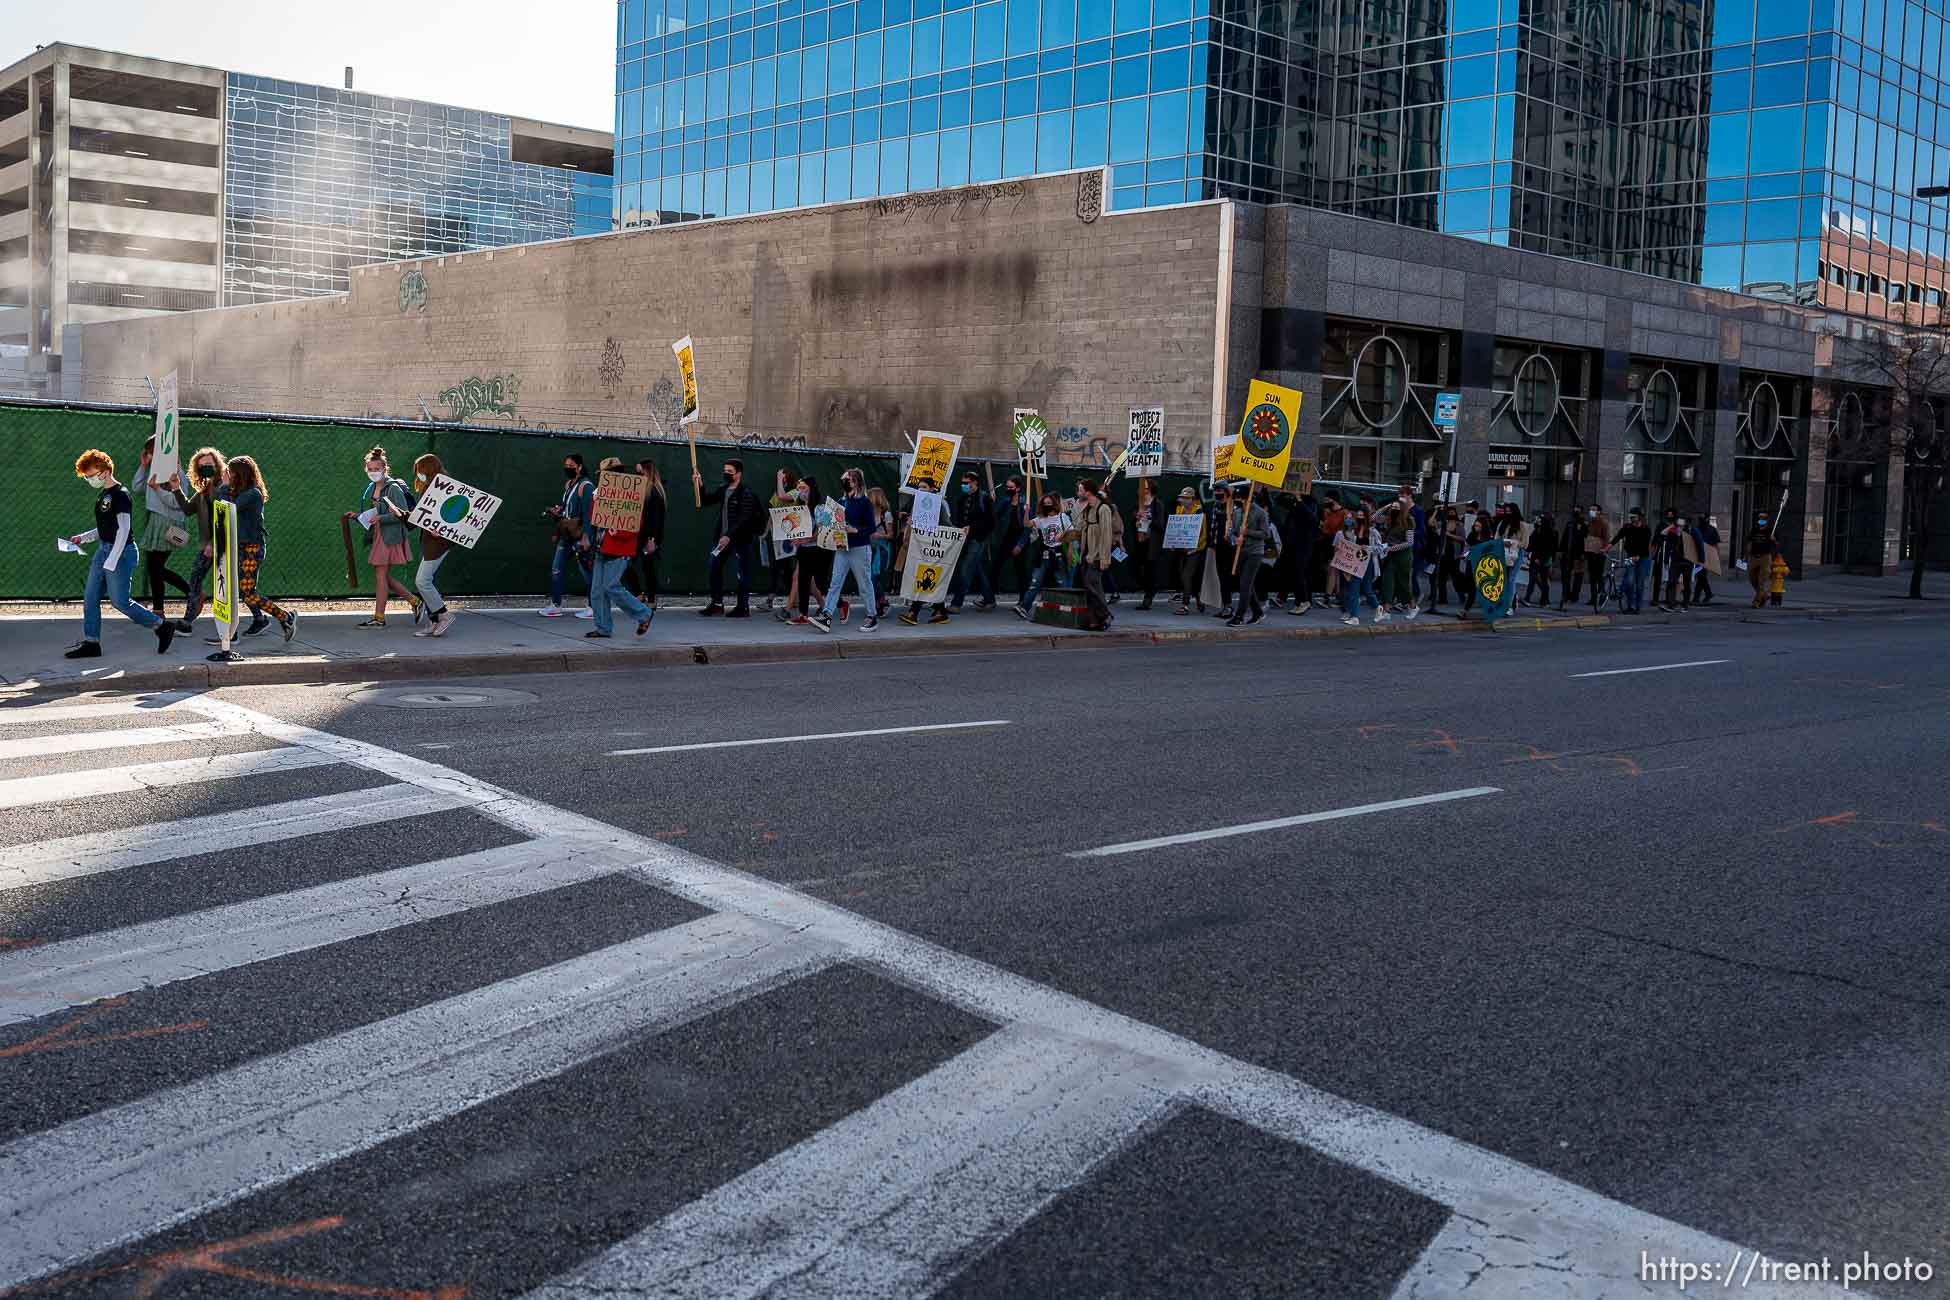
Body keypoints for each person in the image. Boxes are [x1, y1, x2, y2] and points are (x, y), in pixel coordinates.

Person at [63, 449, 177, 658]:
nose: (89, 479)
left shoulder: (121, 495)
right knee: (90, 597)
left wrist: (112, 560)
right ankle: (92, 642)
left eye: (90, 475)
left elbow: (124, 530)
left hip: (121, 553)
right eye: (86, 476)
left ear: (104, 471)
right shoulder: (103, 495)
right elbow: (106, 528)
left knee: (120, 602)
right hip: (104, 550)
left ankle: (161, 626)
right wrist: (83, 537)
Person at [222, 454, 298, 643]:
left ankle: (285, 617)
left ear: (240, 475)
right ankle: (260, 619)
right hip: (241, 546)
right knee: (246, 590)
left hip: (252, 548)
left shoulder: (252, 494)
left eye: (231, 473)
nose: (228, 475)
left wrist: (224, 486)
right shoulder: (241, 491)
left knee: (248, 591)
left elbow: (228, 508)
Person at [582, 456, 655, 639]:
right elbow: (594, 518)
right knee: (597, 591)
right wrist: (596, 499)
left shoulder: (632, 494)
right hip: (602, 547)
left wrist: (618, 532)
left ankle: (643, 614)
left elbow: (635, 523)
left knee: (611, 587)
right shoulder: (599, 493)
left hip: (619, 547)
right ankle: (603, 628)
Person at [351, 446, 421, 629]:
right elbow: (377, 511)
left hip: (390, 536)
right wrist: (358, 516)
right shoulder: (372, 487)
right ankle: (414, 602)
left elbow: (403, 515)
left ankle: (379, 618)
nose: (373, 472)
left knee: (381, 575)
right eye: (370, 469)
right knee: (382, 576)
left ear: (384, 469)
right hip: (379, 534)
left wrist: (381, 518)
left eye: (377, 469)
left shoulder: (393, 488)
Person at [810, 467, 880, 632]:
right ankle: (827, 616)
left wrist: (855, 530)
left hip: (859, 548)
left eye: (846, 479)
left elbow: (871, 528)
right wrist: (824, 521)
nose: (843, 482)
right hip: (842, 547)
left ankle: (872, 616)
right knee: (835, 583)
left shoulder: (864, 503)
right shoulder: (841, 502)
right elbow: (834, 522)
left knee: (864, 584)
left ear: (855, 482)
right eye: (843, 479)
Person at [132, 435, 193, 625]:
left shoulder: (177, 474)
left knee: (155, 568)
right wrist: (143, 466)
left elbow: (177, 503)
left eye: (152, 454)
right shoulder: (155, 471)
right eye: (148, 454)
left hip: (168, 524)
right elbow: (137, 487)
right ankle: (161, 609)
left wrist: (158, 489)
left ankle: (191, 593)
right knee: (155, 569)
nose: (150, 457)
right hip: (156, 522)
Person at [694, 458, 764, 617]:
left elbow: (743, 519)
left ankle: (743, 607)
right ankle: (717, 604)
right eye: (725, 471)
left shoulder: (746, 493)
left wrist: (728, 536)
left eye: (730, 472)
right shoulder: (723, 489)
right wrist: (699, 483)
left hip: (739, 540)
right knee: (713, 566)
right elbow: (706, 500)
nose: (726, 474)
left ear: (739, 474)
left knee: (741, 573)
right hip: (722, 540)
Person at [171, 444, 227, 630]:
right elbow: (187, 510)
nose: (206, 468)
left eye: (209, 463)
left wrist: (213, 543)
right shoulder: (205, 489)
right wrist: (176, 489)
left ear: (217, 464)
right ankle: (187, 622)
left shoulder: (222, 487)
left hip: (222, 545)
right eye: (202, 465)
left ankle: (260, 618)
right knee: (195, 578)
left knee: (240, 585)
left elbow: (224, 518)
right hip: (208, 547)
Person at [540, 453, 596, 619]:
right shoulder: (569, 485)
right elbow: (566, 509)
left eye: (571, 466)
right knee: (556, 569)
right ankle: (556, 605)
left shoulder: (586, 486)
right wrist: (557, 520)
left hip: (579, 534)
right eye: (566, 466)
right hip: (567, 534)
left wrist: (587, 537)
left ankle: (594, 606)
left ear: (579, 467)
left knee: (586, 572)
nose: (568, 469)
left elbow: (588, 513)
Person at [408, 453, 457, 638]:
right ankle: (433, 622)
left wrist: (440, 528)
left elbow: (454, 513)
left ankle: (444, 616)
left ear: (427, 470)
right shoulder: (429, 487)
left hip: (438, 543)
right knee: (427, 581)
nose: (417, 474)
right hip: (430, 541)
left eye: (420, 471)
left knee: (423, 581)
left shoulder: (442, 487)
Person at [1015, 492, 1074, 619]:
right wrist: (1026, 511)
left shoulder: (1063, 517)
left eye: (1049, 503)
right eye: (1044, 503)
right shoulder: (1041, 519)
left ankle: (1065, 611)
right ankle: (1024, 607)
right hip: (1044, 553)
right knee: (1035, 581)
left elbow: (1071, 533)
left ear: (1054, 504)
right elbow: (1026, 524)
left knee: (1061, 582)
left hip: (1059, 553)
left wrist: (1069, 550)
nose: (1047, 505)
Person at [1226, 487, 1273, 626]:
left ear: (1247, 498)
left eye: (1240, 499)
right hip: (1242, 551)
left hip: (1255, 552)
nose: (1237, 502)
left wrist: (1248, 532)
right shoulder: (1237, 512)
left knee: (1245, 584)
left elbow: (1266, 534)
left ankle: (1239, 616)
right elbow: (1236, 531)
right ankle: (1258, 612)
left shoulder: (1260, 513)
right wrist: (1231, 533)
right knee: (1247, 584)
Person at [1073, 478, 1115, 631]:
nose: (1078, 493)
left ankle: (1105, 614)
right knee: (1089, 588)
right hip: (1086, 554)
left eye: (1080, 489)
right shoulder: (1087, 509)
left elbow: (1106, 535)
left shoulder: (1102, 509)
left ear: (1088, 492)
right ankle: (1094, 621)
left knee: (1093, 585)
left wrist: (1105, 558)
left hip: (1097, 555)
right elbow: (1080, 530)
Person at [1374, 484, 1419, 623]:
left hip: (1403, 556)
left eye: (1396, 506)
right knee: (1388, 581)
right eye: (1393, 506)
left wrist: (1392, 548)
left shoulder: (1409, 520)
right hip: (1389, 554)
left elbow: (1409, 542)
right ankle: (1386, 610)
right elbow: (1374, 517)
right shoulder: (1389, 518)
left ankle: (1412, 606)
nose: (1394, 509)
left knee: (1402, 583)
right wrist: (1387, 506)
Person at [631, 458, 669, 613]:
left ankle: (650, 599)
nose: (637, 475)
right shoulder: (645, 490)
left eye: (640, 471)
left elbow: (656, 518)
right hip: (639, 534)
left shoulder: (653, 491)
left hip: (647, 536)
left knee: (648, 567)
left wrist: (652, 539)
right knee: (633, 565)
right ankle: (641, 595)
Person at [1168, 487, 1208, 615]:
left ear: (1193, 499)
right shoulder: (1178, 510)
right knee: (1185, 576)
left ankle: (1185, 605)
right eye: (1182, 498)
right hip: (1181, 549)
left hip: (1194, 551)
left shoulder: (1199, 513)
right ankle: (1198, 599)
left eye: (1186, 498)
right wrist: (1172, 542)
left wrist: (1194, 547)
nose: (1183, 500)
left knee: (1187, 575)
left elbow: (1203, 535)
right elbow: (1175, 529)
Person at [1129, 478, 1166, 610]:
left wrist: (1148, 519)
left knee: (1150, 570)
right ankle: (1150, 589)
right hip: (1140, 541)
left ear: (1148, 489)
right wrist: (1136, 521)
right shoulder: (1138, 504)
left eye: (1142, 487)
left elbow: (1160, 524)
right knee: (1134, 569)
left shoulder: (1157, 505)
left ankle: (1148, 598)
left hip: (1152, 543)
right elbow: (1132, 521)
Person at [1336, 511, 1377, 626]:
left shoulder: (1372, 531)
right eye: (1358, 516)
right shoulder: (1354, 532)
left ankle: (1379, 608)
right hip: (1356, 563)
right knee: (1354, 590)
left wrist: (1368, 547)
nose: (1360, 518)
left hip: (1368, 563)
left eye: (1362, 516)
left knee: (1368, 590)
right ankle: (1355, 617)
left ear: (1367, 517)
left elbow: (1380, 548)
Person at [990, 476, 1028, 599]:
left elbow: (1027, 527)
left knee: (1020, 571)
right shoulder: (1006, 502)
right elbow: (995, 515)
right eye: (1007, 487)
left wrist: (1020, 545)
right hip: (1006, 539)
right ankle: (990, 596)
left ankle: (1023, 600)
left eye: (1011, 487)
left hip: (1019, 540)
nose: (1008, 489)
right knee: (995, 565)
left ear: (1018, 488)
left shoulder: (1024, 504)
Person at [1279, 492, 1317, 614]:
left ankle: (1304, 601)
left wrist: (1300, 500)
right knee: (1294, 573)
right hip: (1293, 544)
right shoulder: (1295, 503)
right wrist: (1285, 491)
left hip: (1304, 544)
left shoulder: (1311, 503)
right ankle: (1298, 602)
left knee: (1300, 572)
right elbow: (1280, 501)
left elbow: (1311, 518)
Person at [1614, 507, 1651, 614]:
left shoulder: (1646, 529)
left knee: (1639, 583)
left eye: (1633, 516)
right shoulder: (1627, 527)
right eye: (1630, 516)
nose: (1631, 518)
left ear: (1639, 517)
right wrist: (1608, 546)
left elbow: (1645, 544)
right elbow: (1618, 536)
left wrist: (1638, 555)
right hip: (1630, 557)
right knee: (1630, 581)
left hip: (1643, 558)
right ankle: (1630, 605)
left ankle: (1637, 606)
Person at [1208, 483, 1238, 618]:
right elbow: (1213, 527)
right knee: (1222, 577)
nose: (1216, 493)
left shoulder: (1235, 507)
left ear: (1226, 491)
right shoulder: (1216, 506)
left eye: (1219, 490)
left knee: (1235, 577)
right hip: (1219, 546)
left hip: (1232, 548)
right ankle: (1227, 605)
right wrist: (1212, 544)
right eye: (1215, 491)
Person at [868, 485, 896, 619]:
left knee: (874, 578)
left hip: (882, 550)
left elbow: (891, 535)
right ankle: (882, 602)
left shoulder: (886, 515)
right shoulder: (867, 514)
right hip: (869, 549)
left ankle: (877, 605)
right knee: (873, 578)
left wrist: (880, 536)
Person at [1523, 510, 1557, 606]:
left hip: (1543, 559)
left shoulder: (1549, 533)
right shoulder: (1536, 531)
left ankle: (1544, 599)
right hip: (1534, 558)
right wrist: (1527, 551)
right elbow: (1531, 544)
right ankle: (1527, 598)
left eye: (1540, 520)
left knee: (1543, 579)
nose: (1537, 521)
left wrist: (1540, 558)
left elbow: (1549, 548)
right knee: (1532, 579)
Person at [1656, 510, 1689, 611]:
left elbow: (1699, 544)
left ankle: (1685, 604)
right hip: (1675, 561)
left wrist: (1701, 559)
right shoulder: (1672, 533)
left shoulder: (1691, 532)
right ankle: (1671, 604)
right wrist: (1666, 560)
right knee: (1671, 581)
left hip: (1687, 562)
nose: (1679, 528)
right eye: (1678, 525)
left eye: (1681, 526)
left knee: (1686, 583)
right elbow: (1668, 547)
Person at [1582, 505, 1612, 610]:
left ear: (1599, 512)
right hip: (1590, 551)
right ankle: (1593, 597)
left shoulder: (1603, 523)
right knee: (1592, 576)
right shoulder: (1590, 522)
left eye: (1594, 510)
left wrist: (1604, 549)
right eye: (1590, 509)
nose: (1591, 511)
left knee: (1598, 575)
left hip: (1599, 552)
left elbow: (1606, 538)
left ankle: (1602, 594)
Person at [1747, 512, 1780, 608]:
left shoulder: (1771, 531)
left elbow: (1777, 544)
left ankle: (1757, 601)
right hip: (1753, 556)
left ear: (1767, 520)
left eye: (1764, 518)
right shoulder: (1754, 530)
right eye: (1760, 518)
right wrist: (1747, 553)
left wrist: (1773, 539)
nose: (1761, 520)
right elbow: (1750, 542)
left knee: (1761, 580)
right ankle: (1764, 595)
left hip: (1765, 557)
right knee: (1752, 579)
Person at [1557, 507, 1587, 609]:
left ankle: (1575, 595)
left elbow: (1585, 539)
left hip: (1579, 554)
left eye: (1578, 511)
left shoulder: (1584, 525)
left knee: (1578, 576)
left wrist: (1583, 553)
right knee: (1565, 575)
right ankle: (1566, 594)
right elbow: (1565, 537)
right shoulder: (1570, 524)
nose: (1576, 513)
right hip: (1568, 553)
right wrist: (1561, 550)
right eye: (1574, 511)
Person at [1691, 515, 1721, 605]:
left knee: (1701, 575)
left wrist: (1716, 558)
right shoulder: (1696, 529)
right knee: (1700, 576)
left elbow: (1715, 544)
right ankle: (1702, 596)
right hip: (1698, 555)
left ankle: (1704, 595)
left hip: (1707, 555)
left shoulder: (1711, 530)